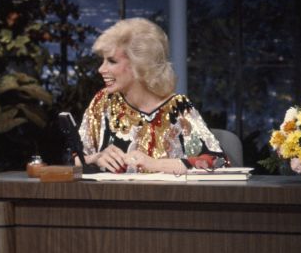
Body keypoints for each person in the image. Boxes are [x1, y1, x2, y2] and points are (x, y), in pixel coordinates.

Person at [77, 17, 227, 174]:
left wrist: (155, 165)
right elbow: (75, 158)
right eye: (103, 61)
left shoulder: (177, 107)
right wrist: (95, 158)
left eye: (112, 61)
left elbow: (218, 163)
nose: (101, 69)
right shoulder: (103, 102)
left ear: (139, 65)